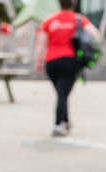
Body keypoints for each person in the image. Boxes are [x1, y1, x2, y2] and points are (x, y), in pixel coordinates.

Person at [34, 0, 100, 137]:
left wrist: (37, 62)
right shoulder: (78, 19)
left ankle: (66, 120)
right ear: (73, 4)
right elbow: (95, 35)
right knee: (63, 94)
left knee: (61, 93)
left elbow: (41, 43)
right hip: (69, 60)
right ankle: (58, 125)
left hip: (51, 61)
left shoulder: (49, 20)